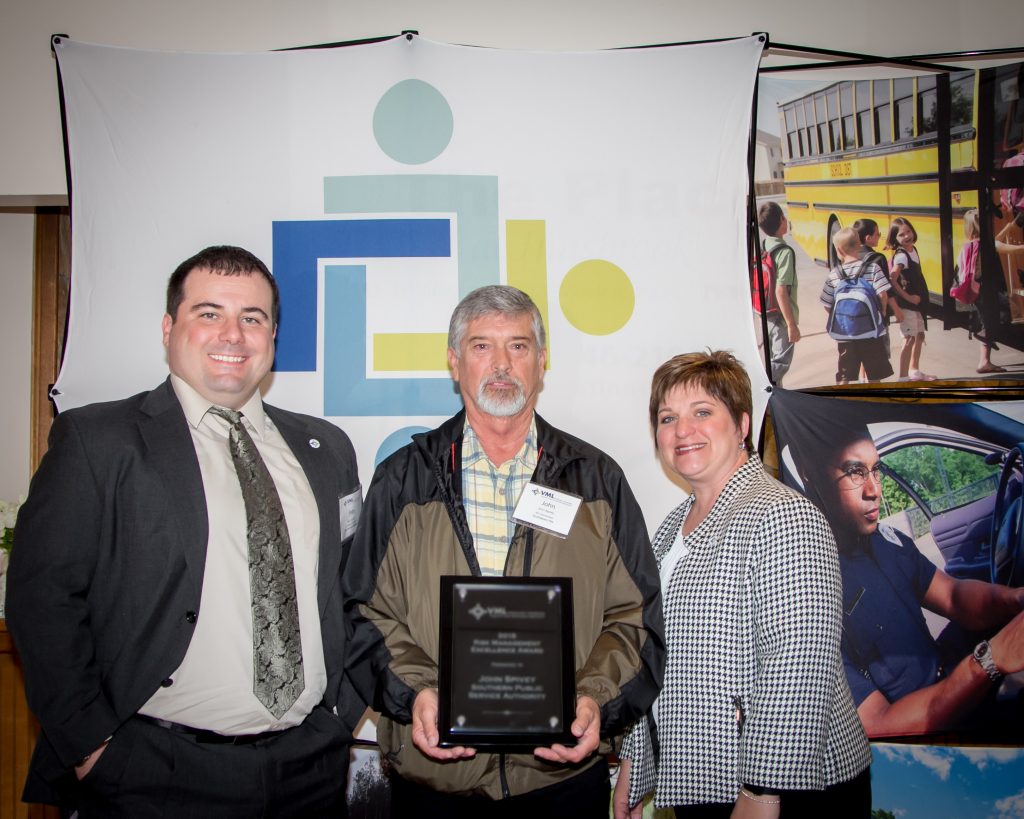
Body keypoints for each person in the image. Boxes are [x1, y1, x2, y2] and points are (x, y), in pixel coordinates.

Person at [7, 246, 363, 817]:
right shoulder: (99, 441)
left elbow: (350, 588)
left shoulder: (325, 449)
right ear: (169, 328)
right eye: (209, 313)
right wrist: (92, 746)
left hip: (309, 769)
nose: (233, 333)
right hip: (152, 771)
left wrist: (341, 713)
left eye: (252, 317)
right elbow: (42, 597)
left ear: (272, 337)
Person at [344, 285, 664, 819]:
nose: (500, 364)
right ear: (454, 362)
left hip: (558, 780)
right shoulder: (403, 478)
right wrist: (418, 694)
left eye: (517, 346)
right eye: (480, 346)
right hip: (435, 784)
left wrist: (593, 702)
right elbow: (362, 612)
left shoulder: (597, 480)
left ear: (542, 361)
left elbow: (634, 618)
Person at [614, 351, 871, 819]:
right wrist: (638, 761)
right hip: (701, 780)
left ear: (742, 425)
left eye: (703, 412)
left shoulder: (783, 514)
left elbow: (798, 659)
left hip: (786, 789)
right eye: (668, 417)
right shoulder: (670, 528)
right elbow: (656, 655)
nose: (682, 430)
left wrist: (762, 791)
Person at [800, 426, 1024, 737]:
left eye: (876, 470)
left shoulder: (886, 540)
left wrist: (1012, 600)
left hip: (949, 676)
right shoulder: (806, 591)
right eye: (854, 472)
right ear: (810, 474)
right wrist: (990, 659)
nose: (874, 489)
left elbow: (954, 596)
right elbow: (878, 721)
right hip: (926, 734)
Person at [821, 227, 894, 384]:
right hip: (871, 333)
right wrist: (880, 312)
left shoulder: (834, 274)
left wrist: (844, 319)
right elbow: (883, 295)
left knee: (844, 374)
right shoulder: (873, 268)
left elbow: (827, 303)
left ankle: (843, 403)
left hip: (846, 335)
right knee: (875, 375)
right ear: (859, 245)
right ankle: (876, 405)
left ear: (839, 250)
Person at [955, 209, 1006, 374]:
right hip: (986, 288)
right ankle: (984, 362)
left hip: (977, 289)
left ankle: (985, 359)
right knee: (988, 322)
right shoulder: (982, 245)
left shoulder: (968, 245)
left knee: (985, 320)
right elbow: (1000, 246)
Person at [886, 217, 936, 381]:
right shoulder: (901, 256)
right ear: (895, 239)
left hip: (917, 304)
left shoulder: (912, 250)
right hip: (908, 305)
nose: (907, 236)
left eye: (908, 231)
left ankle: (914, 370)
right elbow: (892, 278)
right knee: (909, 339)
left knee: (919, 335)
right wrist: (908, 297)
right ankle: (903, 377)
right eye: (901, 235)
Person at [756, 201, 800, 385]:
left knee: (772, 360)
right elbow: (781, 290)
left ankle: (774, 403)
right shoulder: (785, 252)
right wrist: (791, 324)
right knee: (780, 364)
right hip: (780, 316)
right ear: (782, 220)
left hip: (764, 313)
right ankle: (759, 388)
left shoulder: (764, 245)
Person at [852, 218, 903, 360]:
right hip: (876, 316)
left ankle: (863, 380)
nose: (879, 236)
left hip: (856, 315)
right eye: (877, 234)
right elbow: (886, 290)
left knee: (863, 355)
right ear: (868, 238)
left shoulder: (850, 257)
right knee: (879, 359)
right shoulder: (878, 258)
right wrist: (895, 310)